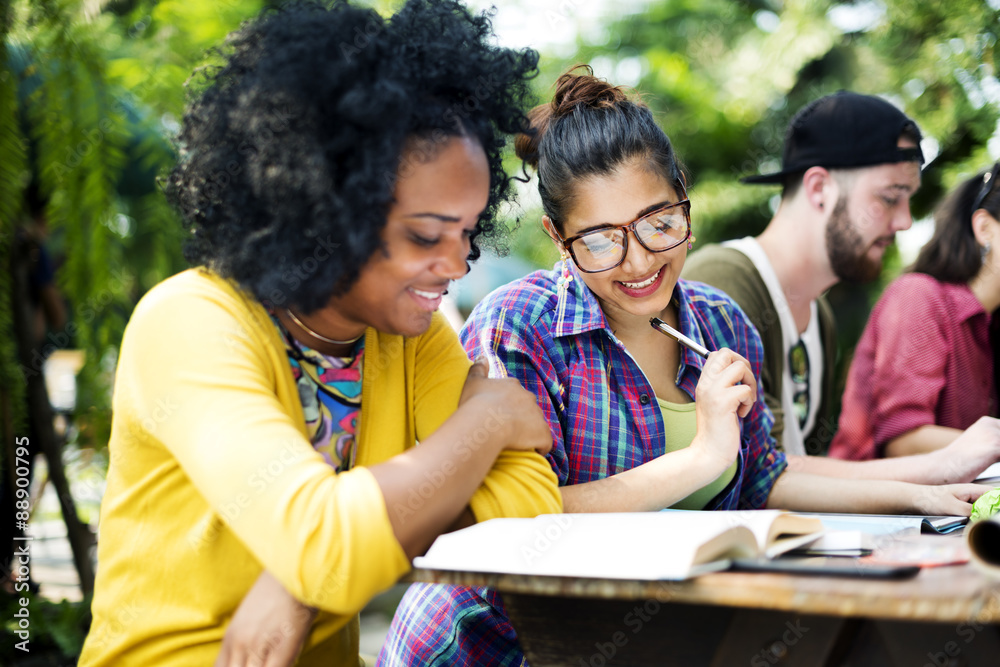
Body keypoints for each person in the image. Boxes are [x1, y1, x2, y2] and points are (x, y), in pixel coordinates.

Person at [378, 69, 986, 667]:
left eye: (660, 223)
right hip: (491, 646)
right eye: (598, 240)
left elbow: (763, 478)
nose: (639, 261)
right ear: (558, 238)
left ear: (683, 197)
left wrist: (919, 497)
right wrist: (698, 458)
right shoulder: (518, 325)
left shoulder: (721, 323)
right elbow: (522, 520)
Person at [77, 2, 562, 666]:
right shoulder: (189, 322)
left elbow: (529, 504)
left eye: (467, 232)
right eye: (425, 234)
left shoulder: (411, 337)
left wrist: (304, 582)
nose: (454, 267)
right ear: (326, 212)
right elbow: (330, 544)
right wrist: (489, 420)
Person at [683, 91, 1000, 482]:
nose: (903, 222)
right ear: (818, 188)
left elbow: (804, 464)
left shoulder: (820, 319)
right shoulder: (723, 281)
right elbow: (757, 471)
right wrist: (940, 469)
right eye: (889, 198)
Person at [829, 166, 1000, 461]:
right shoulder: (919, 297)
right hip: (863, 504)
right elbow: (904, 439)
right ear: (984, 229)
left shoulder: (990, 324)